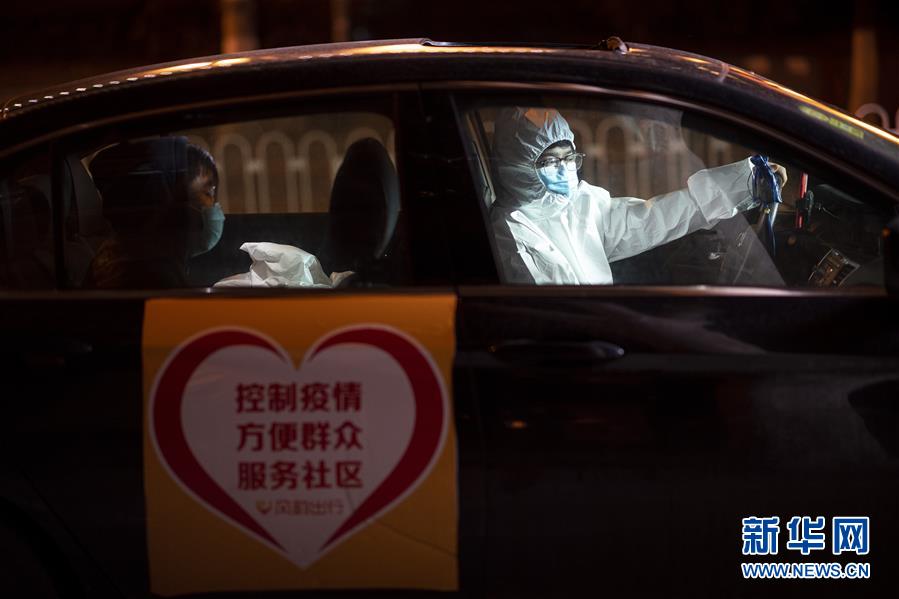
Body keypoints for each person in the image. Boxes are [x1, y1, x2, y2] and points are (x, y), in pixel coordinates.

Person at [490, 107, 786, 284]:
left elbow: (655, 219)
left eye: (569, 158)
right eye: (550, 161)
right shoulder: (507, 232)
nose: (564, 169)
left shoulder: (579, 207)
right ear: (517, 165)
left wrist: (745, 182)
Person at [85, 137, 224, 288]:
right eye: (208, 192)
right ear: (176, 199)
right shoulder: (150, 272)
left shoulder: (130, 254)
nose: (214, 205)